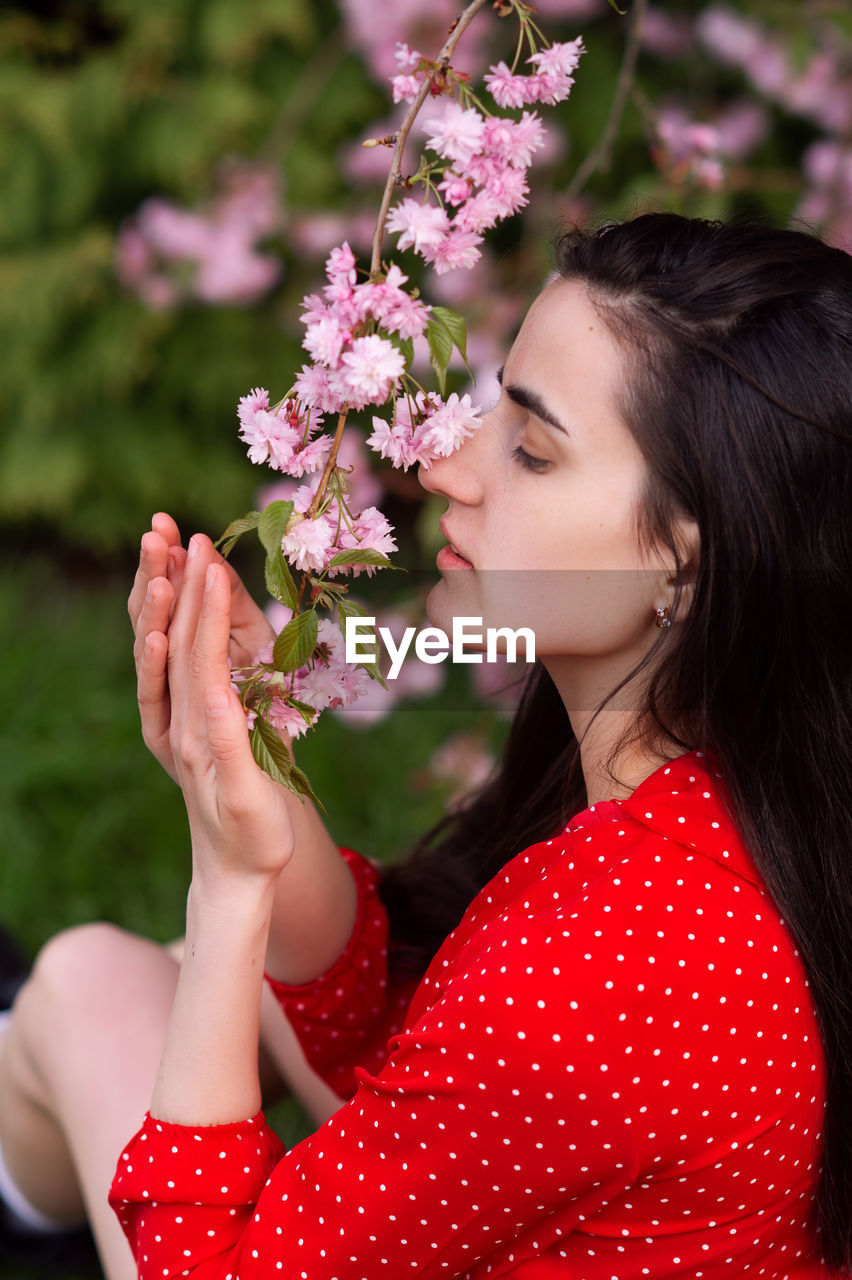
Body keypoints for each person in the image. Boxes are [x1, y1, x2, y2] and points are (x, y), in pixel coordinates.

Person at [0, 212, 850, 1278]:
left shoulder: (609, 956)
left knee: (91, 986)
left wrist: (228, 880)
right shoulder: (746, 810)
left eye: (532, 451)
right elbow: (419, 1048)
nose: (444, 463)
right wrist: (255, 769)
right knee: (115, 985)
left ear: (685, 565)